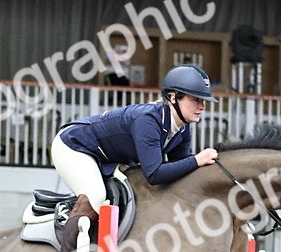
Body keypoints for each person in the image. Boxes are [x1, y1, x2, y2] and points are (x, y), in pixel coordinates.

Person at [50, 64, 220, 218]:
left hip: (107, 157)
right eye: (195, 99)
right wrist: (197, 160)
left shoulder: (182, 128)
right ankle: (68, 242)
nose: (202, 106)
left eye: (203, 101)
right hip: (74, 146)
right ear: (173, 97)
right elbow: (154, 174)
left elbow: (180, 167)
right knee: (96, 195)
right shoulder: (148, 121)